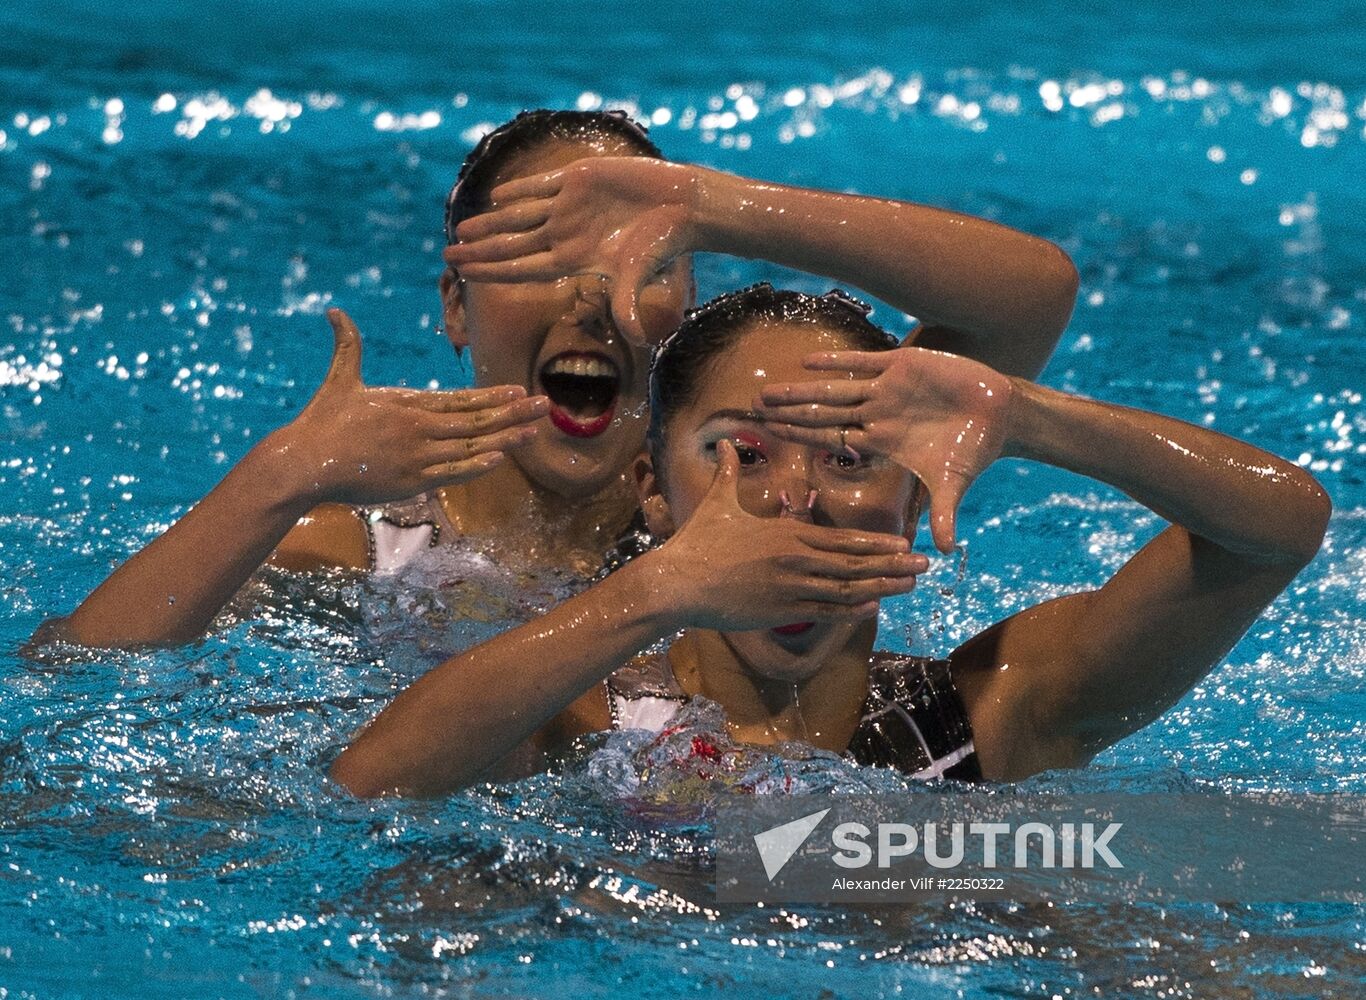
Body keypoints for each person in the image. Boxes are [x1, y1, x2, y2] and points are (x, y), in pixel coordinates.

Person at [35, 108, 1078, 648]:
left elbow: (1027, 299)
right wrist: (277, 477)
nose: (594, 298)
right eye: (539, 256)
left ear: (686, 310)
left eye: (646, 257)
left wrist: (716, 203)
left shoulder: (770, 489)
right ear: (454, 306)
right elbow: (77, 680)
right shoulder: (358, 546)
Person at [330, 284, 1330, 796]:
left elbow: (1277, 528)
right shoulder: (578, 713)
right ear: (654, 492)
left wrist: (1028, 420)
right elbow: (366, 787)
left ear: (915, 496)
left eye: (851, 458)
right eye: (743, 454)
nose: (796, 498)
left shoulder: (991, 714)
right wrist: (652, 593)